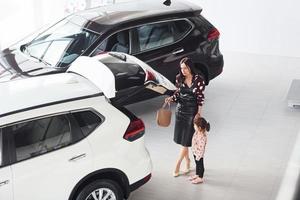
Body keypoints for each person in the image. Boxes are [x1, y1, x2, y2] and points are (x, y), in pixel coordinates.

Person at [165, 57, 206, 177]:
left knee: (186, 141)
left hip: (192, 113)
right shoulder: (179, 78)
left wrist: (199, 113)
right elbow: (178, 94)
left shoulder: (199, 80)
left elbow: (200, 98)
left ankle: (177, 165)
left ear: (190, 67)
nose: (183, 71)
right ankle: (188, 162)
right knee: (183, 140)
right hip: (180, 112)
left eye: (185, 68)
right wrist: (171, 99)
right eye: (181, 68)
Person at [189, 116, 210, 184]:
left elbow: (201, 149)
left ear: (199, 128)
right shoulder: (197, 132)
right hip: (195, 152)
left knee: (200, 165)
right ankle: (197, 174)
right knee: (197, 164)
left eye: (195, 125)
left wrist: (198, 156)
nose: (194, 126)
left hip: (199, 154)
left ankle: (200, 177)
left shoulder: (203, 137)